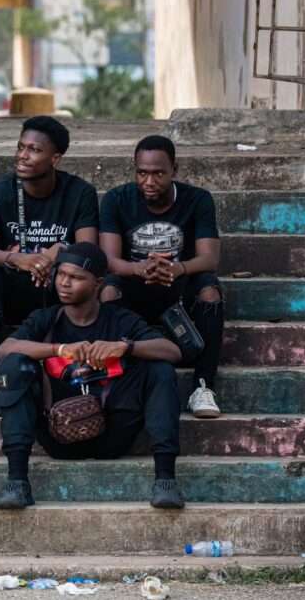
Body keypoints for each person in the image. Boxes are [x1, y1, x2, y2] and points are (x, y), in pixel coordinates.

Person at [0, 242, 185, 510]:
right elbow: (4, 350)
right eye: (61, 274)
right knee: (14, 366)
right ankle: (16, 482)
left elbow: (172, 351)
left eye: (76, 277)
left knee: (159, 368)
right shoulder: (46, 319)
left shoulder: (120, 319)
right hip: (58, 433)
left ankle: (165, 480)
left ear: (98, 284)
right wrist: (58, 349)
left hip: (113, 433)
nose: (64, 283)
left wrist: (125, 347)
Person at [0, 116, 98, 415]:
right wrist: (19, 259)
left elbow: (89, 249)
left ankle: (80, 375)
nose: (23, 156)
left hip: (55, 287)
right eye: (20, 147)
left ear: (55, 158)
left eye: (34, 150)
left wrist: (58, 252)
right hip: (12, 289)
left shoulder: (79, 192)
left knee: (79, 275)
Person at [99, 135, 224, 419]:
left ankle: (203, 386)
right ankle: (114, 379)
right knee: (108, 291)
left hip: (179, 284)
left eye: (158, 173)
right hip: (134, 282)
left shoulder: (197, 199)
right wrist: (139, 269)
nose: (149, 181)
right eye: (142, 173)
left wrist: (177, 269)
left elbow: (209, 259)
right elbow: (109, 260)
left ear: (174, 170)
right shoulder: (117, 199)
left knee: (209, 291)